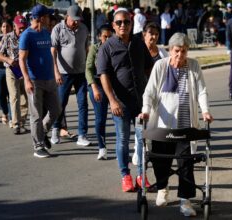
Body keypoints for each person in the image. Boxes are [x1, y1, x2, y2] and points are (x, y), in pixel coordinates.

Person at [139, 32, 213, 217]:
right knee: (159, 160)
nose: (180, 55)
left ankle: (185, 201)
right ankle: (162, 188)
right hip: (161, 124)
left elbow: (202, 91)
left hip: (185, 125)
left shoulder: (193, 66)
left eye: (184, 51)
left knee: (185, 163)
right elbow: (149, 92)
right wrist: (146, 110)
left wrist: (205, 110)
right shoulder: (160, 65)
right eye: (177, 51)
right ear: (170, 50)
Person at [96, 8, 154, 192]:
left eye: (126, 22)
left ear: (131, 23)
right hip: (120, 104)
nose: (123, 25)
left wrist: (150, 93)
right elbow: (103, 75)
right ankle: (125, 176)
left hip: (140, 103)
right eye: (119, 22)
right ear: (113, 25)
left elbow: (148, 69)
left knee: (141, 140)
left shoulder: (138, 43)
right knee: (122, 140)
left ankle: (141, 175)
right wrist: (112, 101)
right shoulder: (107, 47)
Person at [19, 4, 61, 158]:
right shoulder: (27, 35)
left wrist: (55, 71)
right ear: (41, 18)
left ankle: (42, 131)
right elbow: (22, 60)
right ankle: (38, 146)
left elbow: (50, 54)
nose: (50, 19)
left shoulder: (45, 32)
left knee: (56, 109)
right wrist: (27, 80)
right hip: (35, 81)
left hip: (49, 79)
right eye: (48, 16)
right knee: (36, 114)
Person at [50, 5, 91, 146]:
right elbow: (53, 52)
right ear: (67, 16)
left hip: (81, 73)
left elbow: (87, 49)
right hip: (64, 73)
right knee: (60, 104)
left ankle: (82, 135)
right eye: (74, 20)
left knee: (83, 104)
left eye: (79, 20)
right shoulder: (58, 29)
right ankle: (56, 129)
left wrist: (88, 68)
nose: (76, 22)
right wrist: (56, 72)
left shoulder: (84, 29)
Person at [132, 21, 168, 166]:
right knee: (141, 124)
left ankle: (153, 152)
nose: (153, 37)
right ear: (144, 35)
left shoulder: (162, 53)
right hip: (141, 94)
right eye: (150, 33)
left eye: (156, 34)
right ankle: (138, 150)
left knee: (156, 125)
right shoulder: (138, 51)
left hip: (158, 95)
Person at [0, 15, 29, 134]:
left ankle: (22, 123)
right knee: (14, 96)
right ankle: (15, 124)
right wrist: (9, 60)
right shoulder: (7, 37)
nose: (21, 30)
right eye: (19, 27)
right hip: (12, 69)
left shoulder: (27, 36)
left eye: (23, 27)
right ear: (14, 26)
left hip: (24, 69)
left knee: (25, 97)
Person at [85, 24, 113, 160]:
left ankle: (122, 147)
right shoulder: (95, 49)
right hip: (98, 85)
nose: (107, 39)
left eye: (109, 36)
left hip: (113, 85)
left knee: (119, 117)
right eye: (104, 37)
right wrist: (94, 87)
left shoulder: (116, 47)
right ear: (99, 37)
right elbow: (88, 68)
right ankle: (102, 147)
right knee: (100, 118)